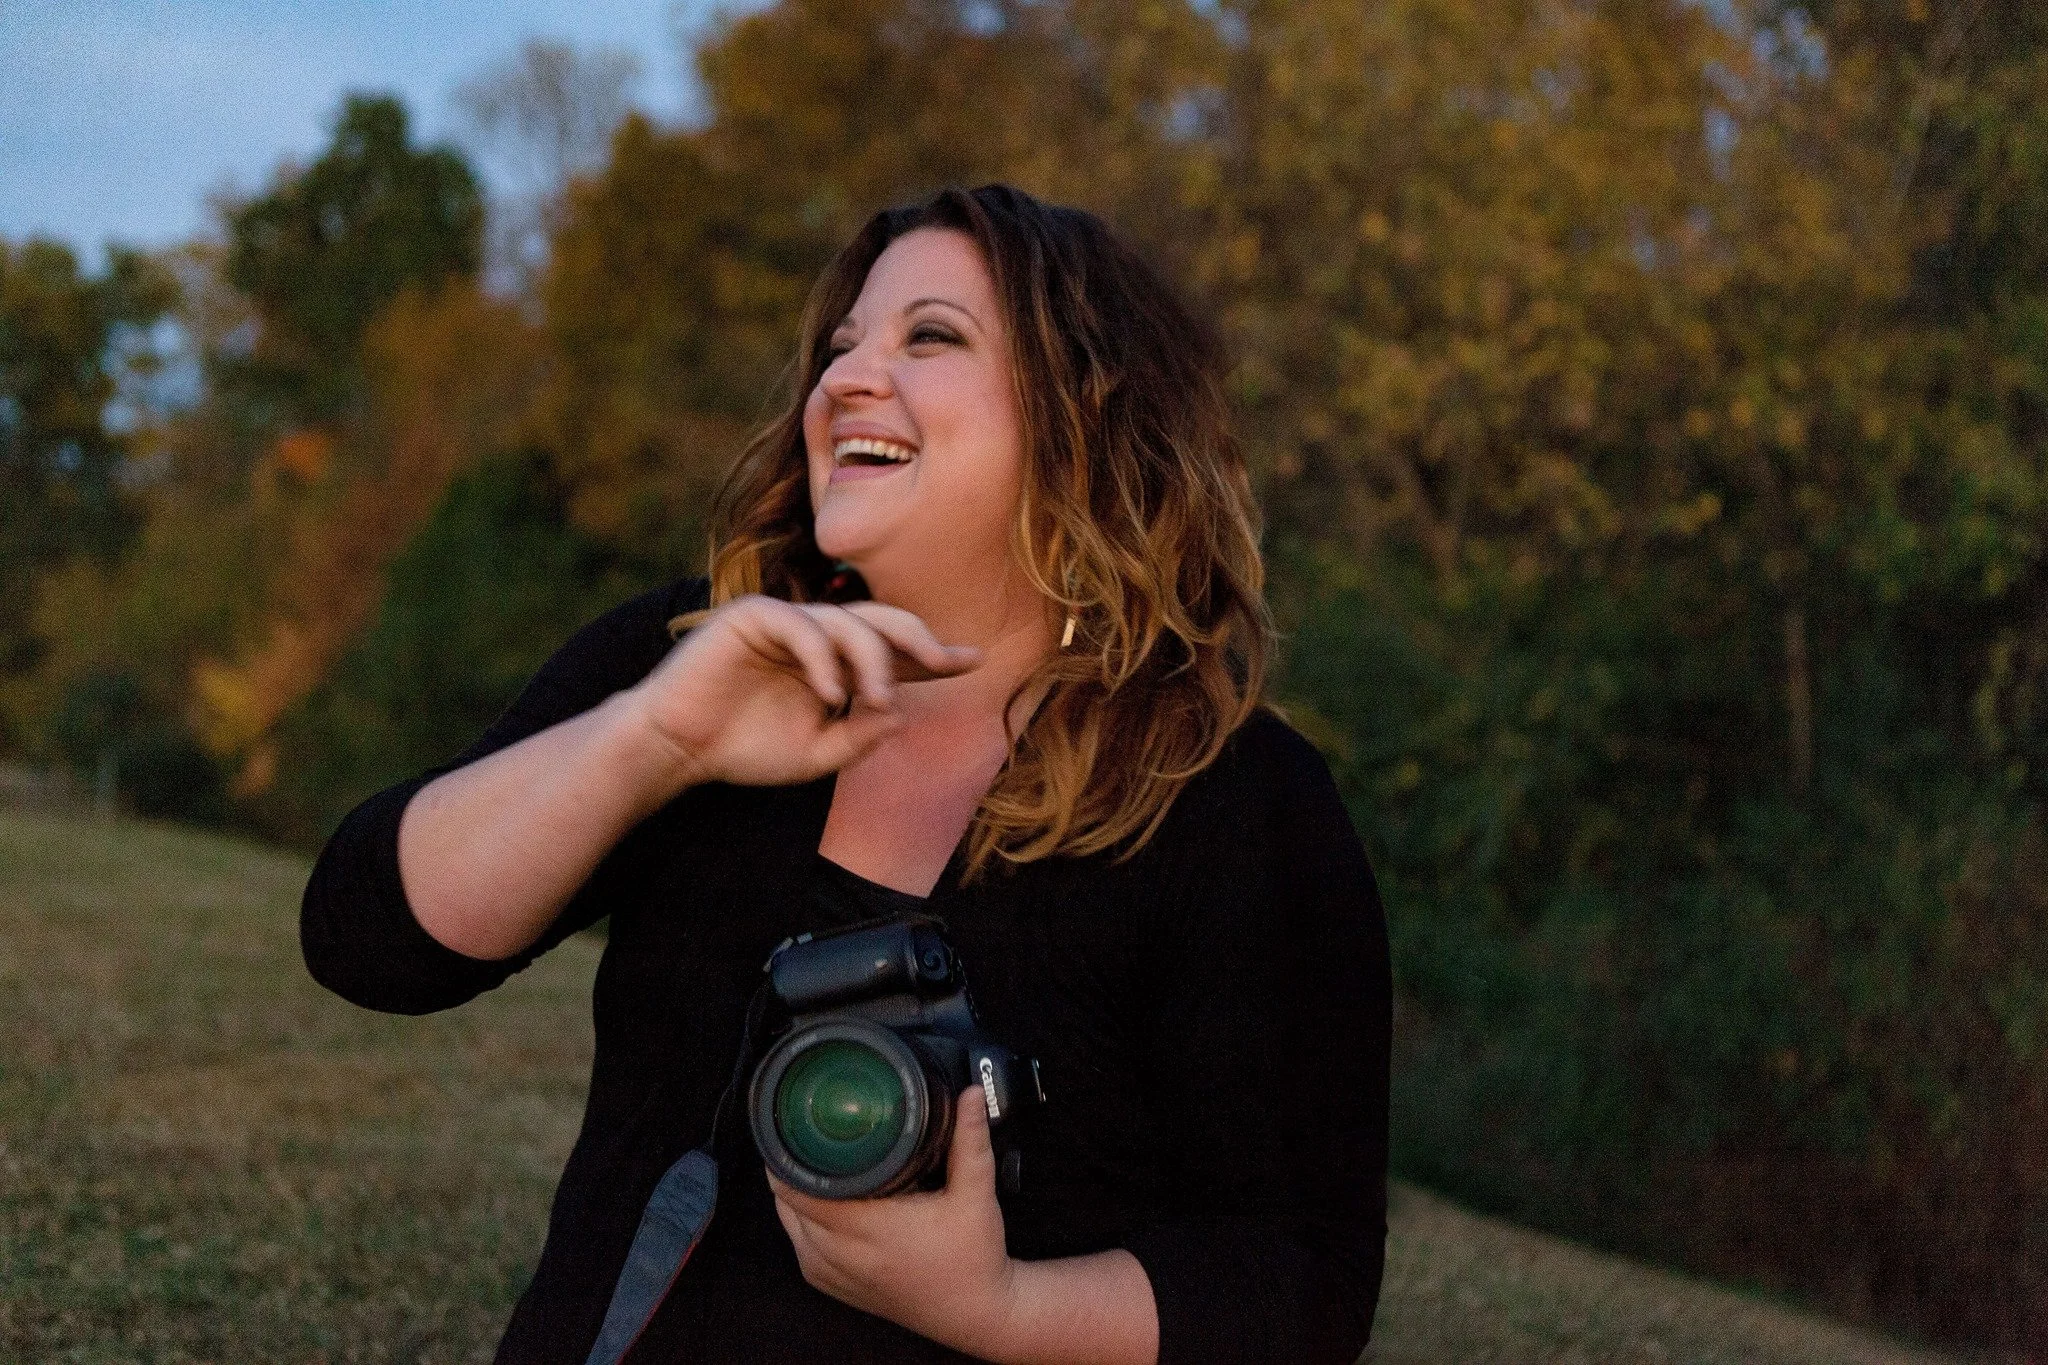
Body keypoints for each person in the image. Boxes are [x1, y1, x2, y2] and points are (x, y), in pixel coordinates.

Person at [301, 183, 1390, 1364]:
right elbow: (367, 945)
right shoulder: (696, 654)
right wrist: (653, 741)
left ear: (1087, 410)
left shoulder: (1230, 796)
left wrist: (997, 1311)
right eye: (839, 347)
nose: (845, 380)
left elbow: (1299, 1285)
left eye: (930, 336)